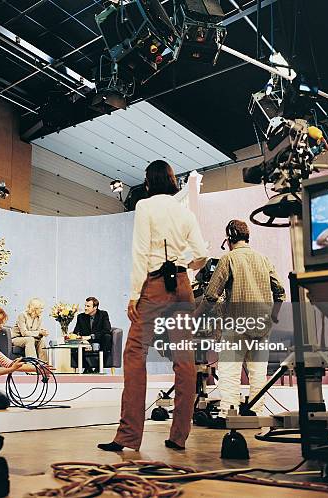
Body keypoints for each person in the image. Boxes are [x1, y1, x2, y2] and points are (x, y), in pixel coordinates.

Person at [98, 160, 209, 452]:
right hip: (183, 287)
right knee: (184, 361)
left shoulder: (145, 207)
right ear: (172, 181)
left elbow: (140, 251)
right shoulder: (185, 213)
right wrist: (185, 266)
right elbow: (202, 253)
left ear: (149, 183)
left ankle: (128, 437)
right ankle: (178, 437)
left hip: (154, 286)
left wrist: (134, 294)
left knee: (135, 354)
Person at [195, 220, 286, 427]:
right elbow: (280, 292)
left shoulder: (228, 259)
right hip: (263, 325)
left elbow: (210, 296)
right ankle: (257, 414)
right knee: (258, 374)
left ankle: (228, 414)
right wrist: (273, 316)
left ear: (229, 239)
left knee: (229, 372)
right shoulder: (263, 259)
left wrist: (195, 315)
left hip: (237, 324)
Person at [72, 297, 112, 373]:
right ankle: (88, 368)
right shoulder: (81, 317)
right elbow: (76, 331)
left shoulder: (103, 314)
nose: (85, 308)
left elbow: (107, 329)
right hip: (85, 341)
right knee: (73, 345)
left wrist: (91, 337)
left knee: (107, 337)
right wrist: (75, 337)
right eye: (85, 306)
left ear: (95, 307)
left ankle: (99, 367)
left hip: (99, 339)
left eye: (88, 306)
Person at [11, 298, 49, 362]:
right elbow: (24, 333)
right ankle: (32, 366)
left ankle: (44, 365)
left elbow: (38, 332)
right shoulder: (22, 315)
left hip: (29, 338)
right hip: (16, 339)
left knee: (42, 340)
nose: (42, 310)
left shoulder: (39, 318)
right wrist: (39, 332)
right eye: (41, 308)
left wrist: (42, 333)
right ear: (35, 308)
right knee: (30, 340)